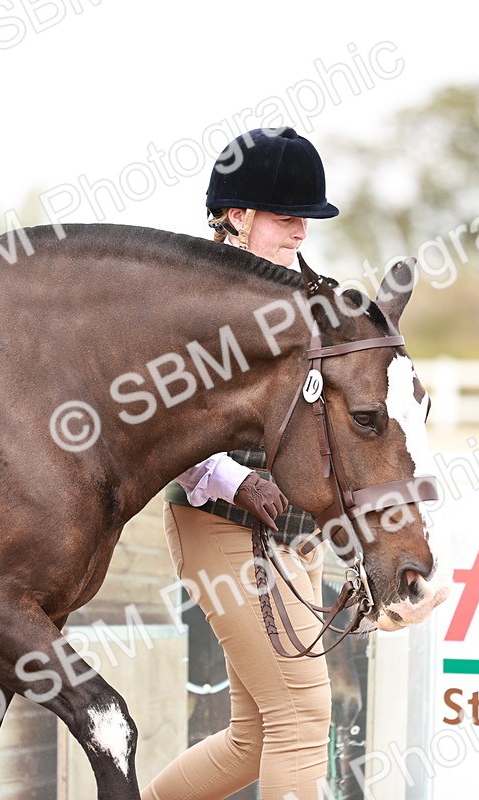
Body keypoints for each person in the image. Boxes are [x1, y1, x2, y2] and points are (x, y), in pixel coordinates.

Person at [141, 127, 340, 800]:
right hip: (222, 522)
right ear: (238, 215)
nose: (301, 232)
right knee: (303, 718)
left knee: (255, 739)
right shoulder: (190, 300)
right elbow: (162, 415)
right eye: (287, 218)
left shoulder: (300, 293)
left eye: (306, 219)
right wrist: (235, 478)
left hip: (295, 532)